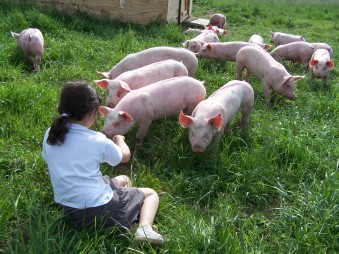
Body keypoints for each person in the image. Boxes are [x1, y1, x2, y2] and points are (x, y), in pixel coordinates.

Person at [42, 81, 163, 245]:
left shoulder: (51, 133)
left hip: (69, 209)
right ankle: (143, 229)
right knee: (150, 194)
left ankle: (127, 215)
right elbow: (125, 156)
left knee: (123, 180)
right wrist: (120, 140)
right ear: (92, 113)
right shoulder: (96, 140)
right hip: (97, 211)